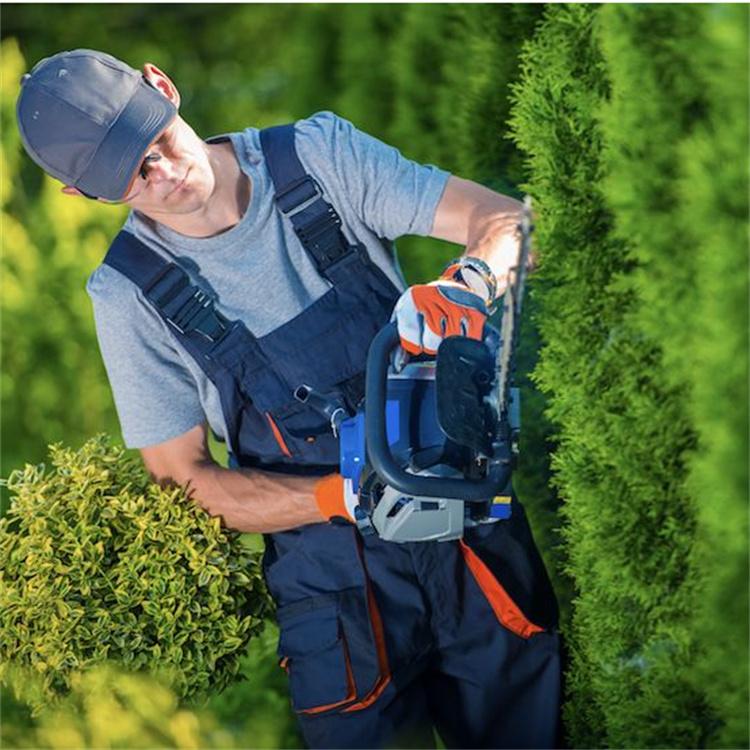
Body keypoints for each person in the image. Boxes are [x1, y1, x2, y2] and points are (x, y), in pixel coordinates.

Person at [17, 49, 561, 749]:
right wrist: (342, 497)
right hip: (334, 594)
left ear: (163, 87)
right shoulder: (128, 296)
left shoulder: (316, 158)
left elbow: (508, 220)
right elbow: (185, 485)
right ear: (81, 195)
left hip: (464, 526)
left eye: (156, 143)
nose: (165, 174)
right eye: (134, 178)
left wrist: (471, 282)